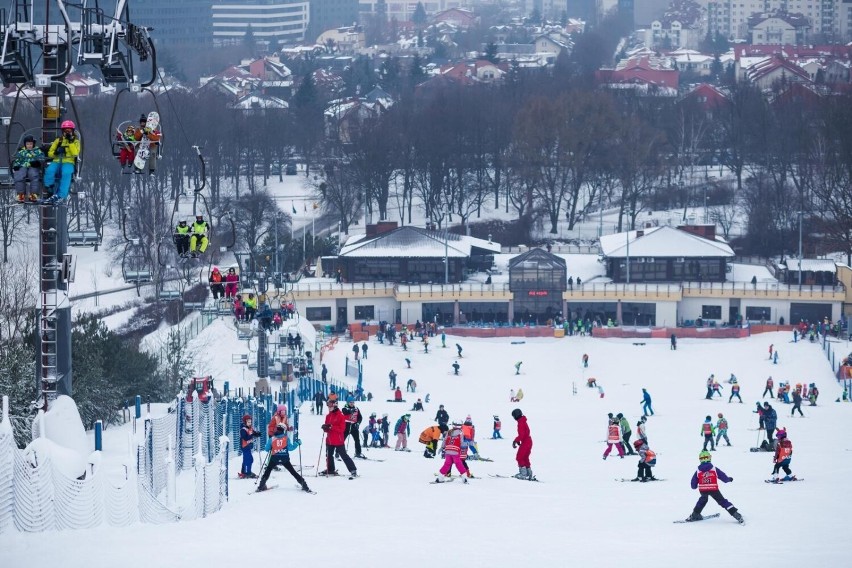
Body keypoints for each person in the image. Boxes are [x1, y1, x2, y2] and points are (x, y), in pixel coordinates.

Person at [686, 451, 744, 523]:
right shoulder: (714, 469)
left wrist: (694, 486)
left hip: (703, 490)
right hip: (714, 489)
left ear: (700, 459)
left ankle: (695, 514)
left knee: (702, 501)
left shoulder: (698, 471)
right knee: (722, 501)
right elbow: (723, 476)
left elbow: (693, 483)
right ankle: (735, 514)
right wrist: (728, 479)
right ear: (709, 458)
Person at [257, 423, 312, 492]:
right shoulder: (286, 438)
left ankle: (261, 485)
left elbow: (266, 449)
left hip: (274, 458)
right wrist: (297, 443)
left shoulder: (272, 439)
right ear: (284, 430)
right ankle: (304, 485)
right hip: (284, 459)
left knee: (268, 471)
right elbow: (291, 448)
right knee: (293, 472)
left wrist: (271, 446)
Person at [42, 120, 80, 203]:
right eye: (65, 131)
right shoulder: (58, 140)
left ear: (72, 131)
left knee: (66, 172)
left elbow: (75, 153)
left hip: (68, 161)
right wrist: (56, 152)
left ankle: (60, 195)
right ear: (62, 131)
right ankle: (49, 189)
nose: (67, 133)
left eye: (69, 131)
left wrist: (70, 143)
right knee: (49, 170)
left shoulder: (75, 141)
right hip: (57, 160)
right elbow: (50, 153)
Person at [320, 398, 358, 478]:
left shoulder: (340, 416)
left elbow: (342, 429)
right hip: (330, 440)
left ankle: (353, 470)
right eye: (328, 406)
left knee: (343, 455)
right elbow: (328, 428)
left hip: (338, 440)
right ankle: (330, 469)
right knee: (329, 455)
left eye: (330, 406)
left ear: (335, 406)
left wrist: (331, 427)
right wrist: (325, 428)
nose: (329, 408)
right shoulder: (328, 416)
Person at [12, 135, 45, 203]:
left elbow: (42, 158)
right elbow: (17, 160)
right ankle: (21, 195)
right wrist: (16, 166)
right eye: (27, 144)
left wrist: (37, 162)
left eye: (31, 144)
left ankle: (33, 194)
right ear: (25, 144)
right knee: (19, 176)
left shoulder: (37, 151)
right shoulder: (22, 152)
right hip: (23, 166)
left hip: (33, 166)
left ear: (33, 144)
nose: (29, 145)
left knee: (34, 176)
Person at [512, 408, 534, 479]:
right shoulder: (523, 421)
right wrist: (519, 440)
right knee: (525, 457)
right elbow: (524, 433)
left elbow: (522, 435)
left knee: (519, 457)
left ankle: (523, 474)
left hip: (525, 442)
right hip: (528, 441)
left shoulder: (520, 423)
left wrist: (515, 441)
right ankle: (529, 473)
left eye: (513, 416)